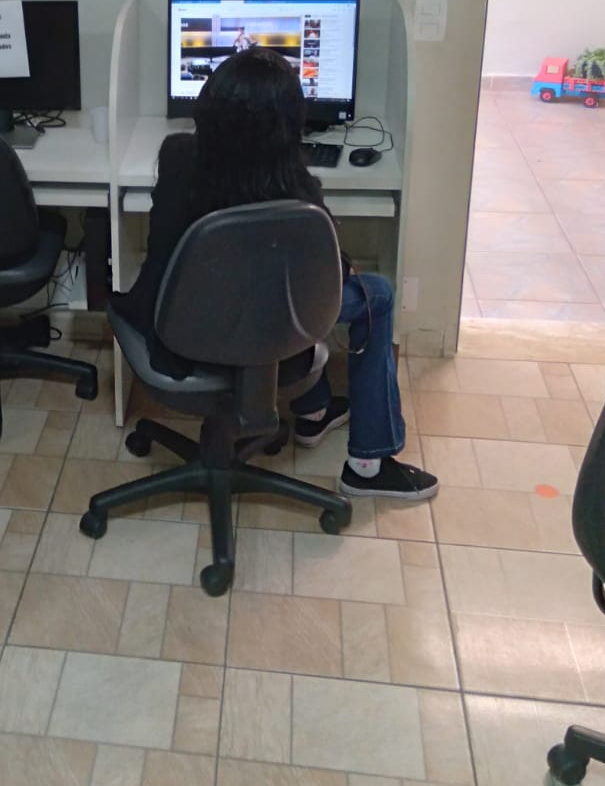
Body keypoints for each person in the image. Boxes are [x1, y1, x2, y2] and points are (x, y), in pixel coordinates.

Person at [112, 48, 437, 502]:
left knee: (270, 289)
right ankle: (368, 463)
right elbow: (329, 266)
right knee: (376, 296)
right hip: (265, 330)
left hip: (185, 327)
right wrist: (342, 261)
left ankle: (315, 409)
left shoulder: (178, 156)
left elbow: (164, 245)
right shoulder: (294, 181)